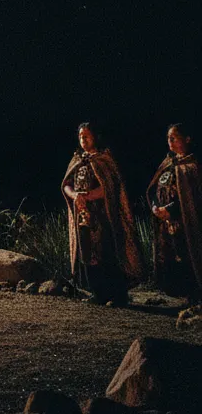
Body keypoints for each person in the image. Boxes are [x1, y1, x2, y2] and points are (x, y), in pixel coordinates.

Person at [61, 122, 142, 304]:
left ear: (96, 136)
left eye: (87, 136)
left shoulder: (104, 160)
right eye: (81, 136)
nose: (83, 139)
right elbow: (66, 183)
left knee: (107, 251)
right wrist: (75, 196)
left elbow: (110, 187)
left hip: (103, 216)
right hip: (83, 215)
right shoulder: (78, 160)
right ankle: (98, 293)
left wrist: (87, 196)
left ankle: (119, 295)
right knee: (88, 252)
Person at [148, 123, 201, 303]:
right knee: (170, 257)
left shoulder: (193, 166)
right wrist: (156, 207)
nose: (169, 142)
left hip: (184, 222)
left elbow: (191, 198)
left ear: (187, 139)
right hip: (166, 222)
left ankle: (194, 298)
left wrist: (171, 210)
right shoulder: (168, 162)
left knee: (188, 255)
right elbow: (155, 187)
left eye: (174, 138)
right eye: (168, 138)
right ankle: (180, 295)